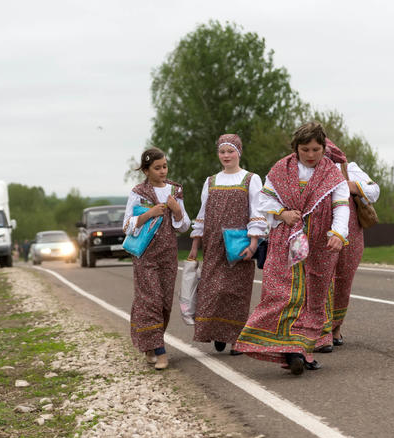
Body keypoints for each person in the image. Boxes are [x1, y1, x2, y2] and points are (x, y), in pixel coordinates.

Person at [232, 122, 350, 375]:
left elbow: (341, 206)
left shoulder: (333, 175)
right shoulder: (280, 169)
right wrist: (282, 213)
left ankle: (301, 350)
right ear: (295, 148)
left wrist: (339, 233)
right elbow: (264, 199)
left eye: (316, 149)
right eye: (305, 149)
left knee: (312, 297)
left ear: (324, 147)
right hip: (286, 239)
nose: (310, 155)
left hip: (320, 243)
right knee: (283, 293)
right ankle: (288, 348)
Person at [188, 134, 266, 354]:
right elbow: (202, 214)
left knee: (236, 292)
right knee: (212, 291)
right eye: (222, 151)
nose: (226, 155)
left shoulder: (251, 179)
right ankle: (217, 331)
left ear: (238, 153)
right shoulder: (211, 181)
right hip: (213, 244)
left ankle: (236, 339)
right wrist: (195, 246)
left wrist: (253, 243)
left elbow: (257, 210)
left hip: (238, 245)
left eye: (230, 151)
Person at [123, 147, 191, 370]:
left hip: (168, 254)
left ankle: (150, 343)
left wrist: (176, 210)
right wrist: (148, 214)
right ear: (146, 170)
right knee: (150, 300)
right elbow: (127, 226)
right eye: (157, 168)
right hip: (145, 255)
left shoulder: (175, 191)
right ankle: (160, 352)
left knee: (163, 304)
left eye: (165, 167)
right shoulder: (138, 192)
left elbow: (184, 226)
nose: (163, 171)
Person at [318, 141, 381, 353]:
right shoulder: (305, 170)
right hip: (318, 234)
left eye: (321, 149)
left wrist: (348, 185)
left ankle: (335, 328)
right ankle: (321, 331)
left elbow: (374, 191)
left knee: (343, 280)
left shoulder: (347, 167)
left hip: (350, 234)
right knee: (321, 279)